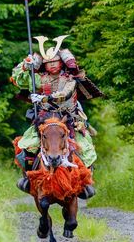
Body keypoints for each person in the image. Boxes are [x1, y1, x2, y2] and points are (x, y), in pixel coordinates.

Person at [10, 35, 103, 199]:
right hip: (44, 118)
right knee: (27, 145)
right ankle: (28, 178)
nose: (52, 64)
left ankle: (85, 183)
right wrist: (25, 66)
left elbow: (65, 93)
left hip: (70, 119)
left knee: (85, 147)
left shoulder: (70, 79)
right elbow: (20, 81)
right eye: (48, 62)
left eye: (55, 61)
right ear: (45, 65)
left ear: (61, 62)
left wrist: (45, 98)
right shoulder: (39, 78)